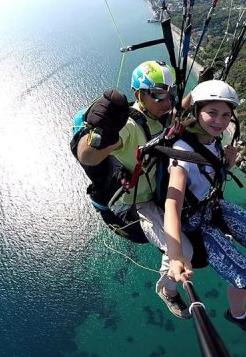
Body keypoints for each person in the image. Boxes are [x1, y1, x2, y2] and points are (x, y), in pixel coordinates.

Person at [75, 60, 193, 319]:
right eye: (159, 95)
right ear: (139, 94)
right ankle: (168, 289)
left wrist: (196, 92)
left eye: (170, 94)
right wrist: (99, 135)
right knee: (184, 251)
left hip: (153, 191)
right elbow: (88, 156)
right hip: (135, 203)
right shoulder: (127, 127)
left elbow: (175, 114)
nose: (167, 101)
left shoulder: (160, 116)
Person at [163, 80, 246, 332]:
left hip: (212, 206)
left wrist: (227, 165)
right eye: (212, 113)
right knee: (245, 278)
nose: (219, 121)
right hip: (194, 222)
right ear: (197, 112)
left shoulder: (212, 140)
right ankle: (236, 314)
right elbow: (172, 205)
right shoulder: (181, 153)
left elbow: (208, 177)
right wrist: (175, 256)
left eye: (226, 115)